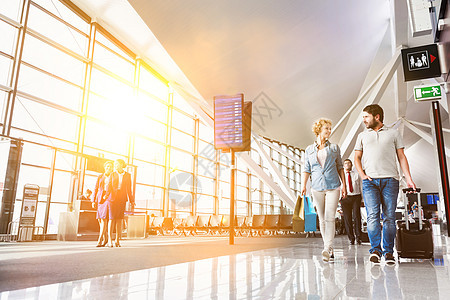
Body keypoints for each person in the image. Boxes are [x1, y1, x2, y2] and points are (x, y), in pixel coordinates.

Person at [354, 104, 416, 265]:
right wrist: (362, 175)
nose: (364, 120)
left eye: (366, 117)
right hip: (370, 182)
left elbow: (401, 157)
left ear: (377, 117)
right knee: (373, 217)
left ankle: (389, 252)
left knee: (389, 217)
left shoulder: (393, 134)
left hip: (390, 180)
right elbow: (356, 158)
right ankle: (375, 250)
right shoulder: (362, 136)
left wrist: (408, 178)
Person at [302, 118, 347, 262]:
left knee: (329, 217)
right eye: (326, 128)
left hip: (333, 186)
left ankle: (327, 247)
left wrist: (344, 185)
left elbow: (340, 166)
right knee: (321, 219)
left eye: (329, 128)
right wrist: (303, 185)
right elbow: (307, 169)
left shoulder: (334, 148)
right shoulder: (309, 149)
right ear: (319, 130)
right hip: (316, 186)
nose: (329, 131)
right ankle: (329, 247)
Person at [92, 161, 118, 247]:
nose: (109, 168)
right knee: (102, 220)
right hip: (101, 200)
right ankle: (104, 238)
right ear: (104, 167)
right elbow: (96, 188)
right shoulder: (100, 176)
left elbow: (114, 188)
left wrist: (107, 195)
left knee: (110, 218)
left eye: (110, 167)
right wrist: (93, 200)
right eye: (107, 166)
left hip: (110, 198)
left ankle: (102, 240)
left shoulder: (114, 176)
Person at [112, 159, 135, 247]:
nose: (115, 165)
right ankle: (110, 239)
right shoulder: (112, 174)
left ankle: (117, 239)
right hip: (112, 198)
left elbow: (129, 189)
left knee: (119, 219)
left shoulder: (127, 175)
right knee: (112, 219)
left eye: (117, 164)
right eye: (115, 164)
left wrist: (131, 200)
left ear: (121, 164)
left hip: (122, 198)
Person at [340, 159, 362, 245]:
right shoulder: (341, 176)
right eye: (345, 163)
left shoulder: (357, 175)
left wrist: (362, 200)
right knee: (347, 218)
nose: (347, 164)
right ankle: (351, 238)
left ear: (351, 165)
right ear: (344, 165)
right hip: (345, 198)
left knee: (357, 216)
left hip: (356, 196)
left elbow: (361, 186)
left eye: (348, 163)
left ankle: (358, 237)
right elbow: (339, 188)